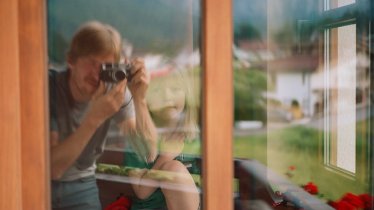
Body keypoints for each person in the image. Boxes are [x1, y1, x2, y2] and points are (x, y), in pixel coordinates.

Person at [49, 21, 158, 210]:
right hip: (38, 183)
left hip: (82, 185)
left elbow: (147, 153)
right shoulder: (49, 87)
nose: (97, 74)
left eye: (106, 66)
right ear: (71, 61)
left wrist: (139, 99)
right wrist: (94, 117)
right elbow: (53, 169)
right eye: (91, 62)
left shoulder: (114, 89)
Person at [123, 69, 200, 210]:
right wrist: (165, 157)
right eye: (157, 90)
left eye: (175, 89)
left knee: (174, 169)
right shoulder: (137, 139)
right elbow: (142, 192)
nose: (167, 96)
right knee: (172, 169)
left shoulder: (194, 138)